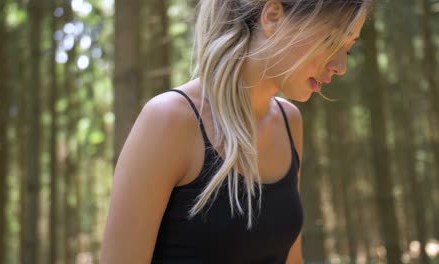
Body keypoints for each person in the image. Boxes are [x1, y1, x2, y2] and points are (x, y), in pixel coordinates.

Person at [100, 0, 370, 263]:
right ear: (273, 17)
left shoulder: (289, 122)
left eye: (348, 49)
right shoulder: (169, 120)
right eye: (331, 41)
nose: (340, 66)